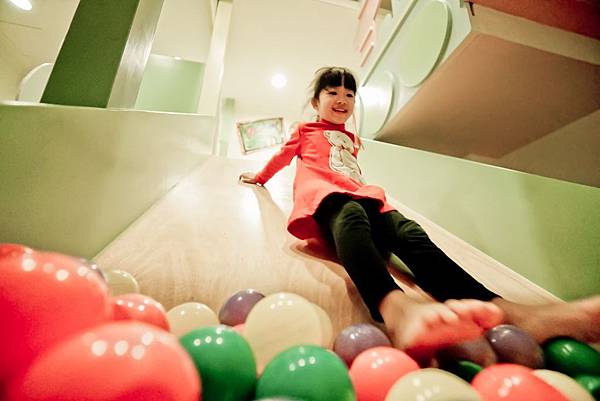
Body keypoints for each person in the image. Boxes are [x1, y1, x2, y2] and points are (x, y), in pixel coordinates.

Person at [239, 66, 600, 356]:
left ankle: (511, 311)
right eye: (332, 92)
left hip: (364, 195)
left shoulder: (352, 139)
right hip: (326, 197)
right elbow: (281, 157)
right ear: (315, 101)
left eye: (349, 94)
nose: (342, 99)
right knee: (351, 216)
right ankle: (397, 309)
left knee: (408, 231)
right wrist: (260, 177)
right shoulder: (305, 130)